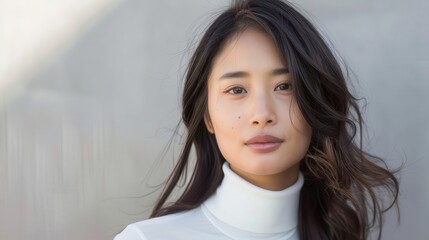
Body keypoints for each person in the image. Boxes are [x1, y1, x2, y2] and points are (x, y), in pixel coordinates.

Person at [115, 0, 399, 239]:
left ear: (318, 101)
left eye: (285, 86)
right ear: (207, 117)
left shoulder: (342, 233)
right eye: (236, 90)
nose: (262, 115)